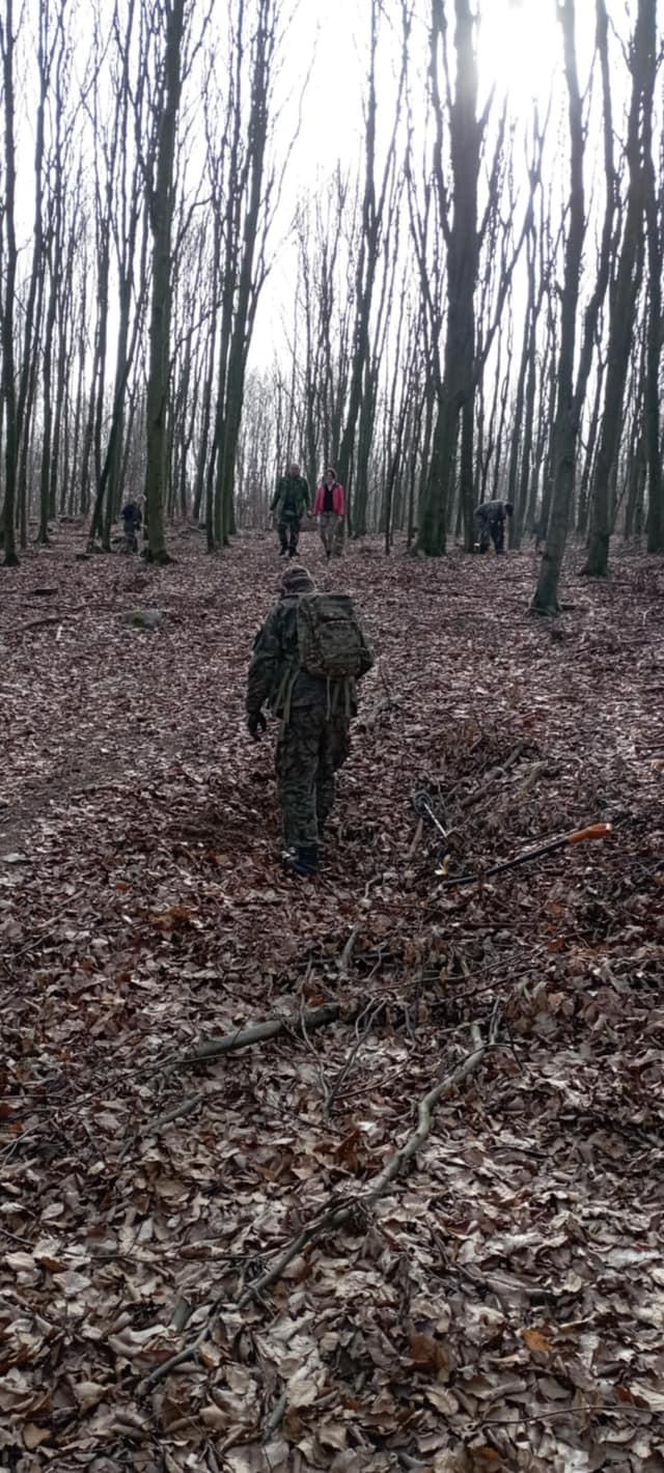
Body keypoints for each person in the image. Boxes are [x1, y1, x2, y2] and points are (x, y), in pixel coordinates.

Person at [246, 564, 373, 878]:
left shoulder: (284, 611)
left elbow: (264, 662)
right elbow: (365, 659)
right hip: (341, 705)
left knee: (296, 774)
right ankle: (314, 829)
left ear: (284, 588)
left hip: (301, 707)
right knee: (325, 769)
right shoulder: (336, 610)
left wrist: (254, 707)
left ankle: (304, 853)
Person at [270, 463, 310, 558]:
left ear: (299, 470)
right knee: (281, 529)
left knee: (295, 531)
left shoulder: (303, 482)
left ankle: (292, 549)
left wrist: (309, 509)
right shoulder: (283, 481)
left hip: (297, 510)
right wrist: (272, 508)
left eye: (296, 469)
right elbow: (277, 495)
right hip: (284, 509)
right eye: (292, 469)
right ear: (289, 469)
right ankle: (284, 546)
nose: (294, 471)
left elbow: (307, 497)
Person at [313, 467, 346, 559]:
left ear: (333, 477)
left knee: (330, 532)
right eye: (327, 476)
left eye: (330, 476)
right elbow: (317, 500)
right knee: (321, 533)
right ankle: (327, 547)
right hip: (323, 512)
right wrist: (315, 513)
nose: (329, 478)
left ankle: (329, 551)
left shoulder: (338, 488)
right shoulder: (321, 488)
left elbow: (341, 502)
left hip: (333, 513)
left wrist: (340, 514)